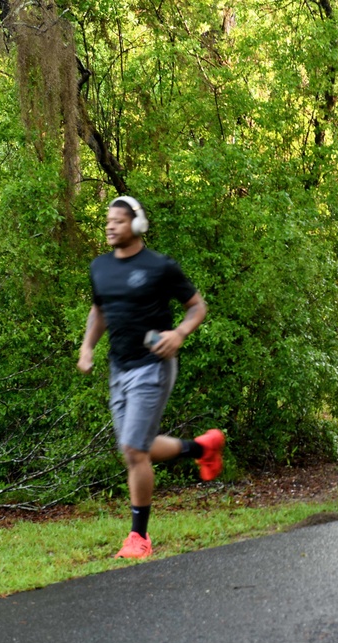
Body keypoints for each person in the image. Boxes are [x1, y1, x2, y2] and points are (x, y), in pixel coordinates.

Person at [77, 196, 225, 559]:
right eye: (107, 221)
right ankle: (202, 448)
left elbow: (197, 306)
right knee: (136, 446)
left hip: (153, 365)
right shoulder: (100, 268)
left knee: (133, 450)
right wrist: (87, 348)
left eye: (119, 221)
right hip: (119, 367)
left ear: (138, 225)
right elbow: (99, 312)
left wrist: (179, 333)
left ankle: (138, 537)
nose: (111, 226)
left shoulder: (160, 267)